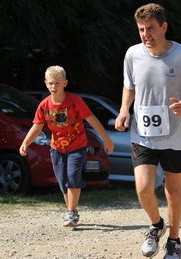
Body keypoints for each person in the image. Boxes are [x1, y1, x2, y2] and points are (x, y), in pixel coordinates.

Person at [115, 3, 181, 259]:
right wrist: (124, 109)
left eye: (151, 29)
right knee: (143, 188)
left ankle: (174, 241)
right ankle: (156, 225)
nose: (146, 35)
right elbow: (129, 86)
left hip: (177, 136)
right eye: (142, 30)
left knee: (173, 191)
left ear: (164, 27)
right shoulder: (133, 54)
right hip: (143, 134)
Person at [19, 65, 114, 227]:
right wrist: (25, 142)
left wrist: (106, 138)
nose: (53, 86)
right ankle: (72, 211)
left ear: (65, 83)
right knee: (63, 181)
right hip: (56, 148)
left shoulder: (75, 101)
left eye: (57, 83)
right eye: (50, 83)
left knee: (72, 177)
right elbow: (37, 126)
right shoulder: (44, 105)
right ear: (46, 84)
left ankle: (70, 213)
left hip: (77, 146)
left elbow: (91, 119)